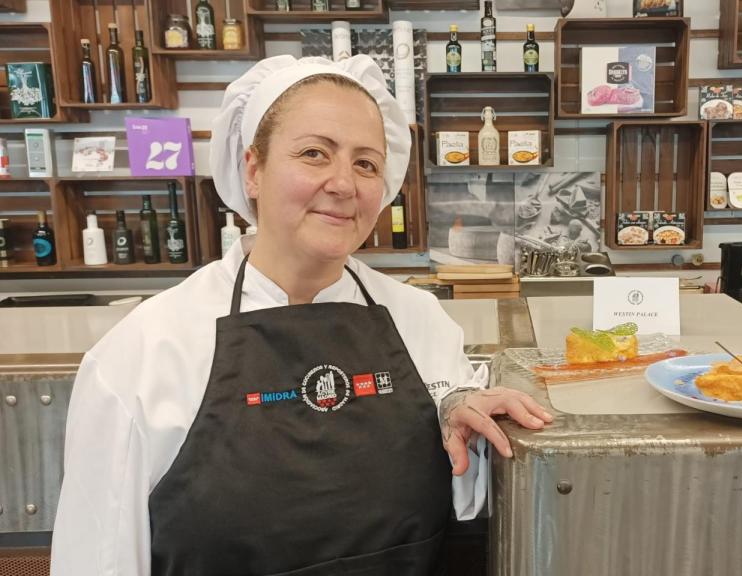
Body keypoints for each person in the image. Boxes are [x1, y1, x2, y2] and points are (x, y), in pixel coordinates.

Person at [50, 55, 553, 576]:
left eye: (366, 164)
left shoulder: (419, 320)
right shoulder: (142, 353)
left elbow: (465, 507)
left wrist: (470, 421)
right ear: (253, 170)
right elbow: (98, 559)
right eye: (315, 153)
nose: (343, 184)